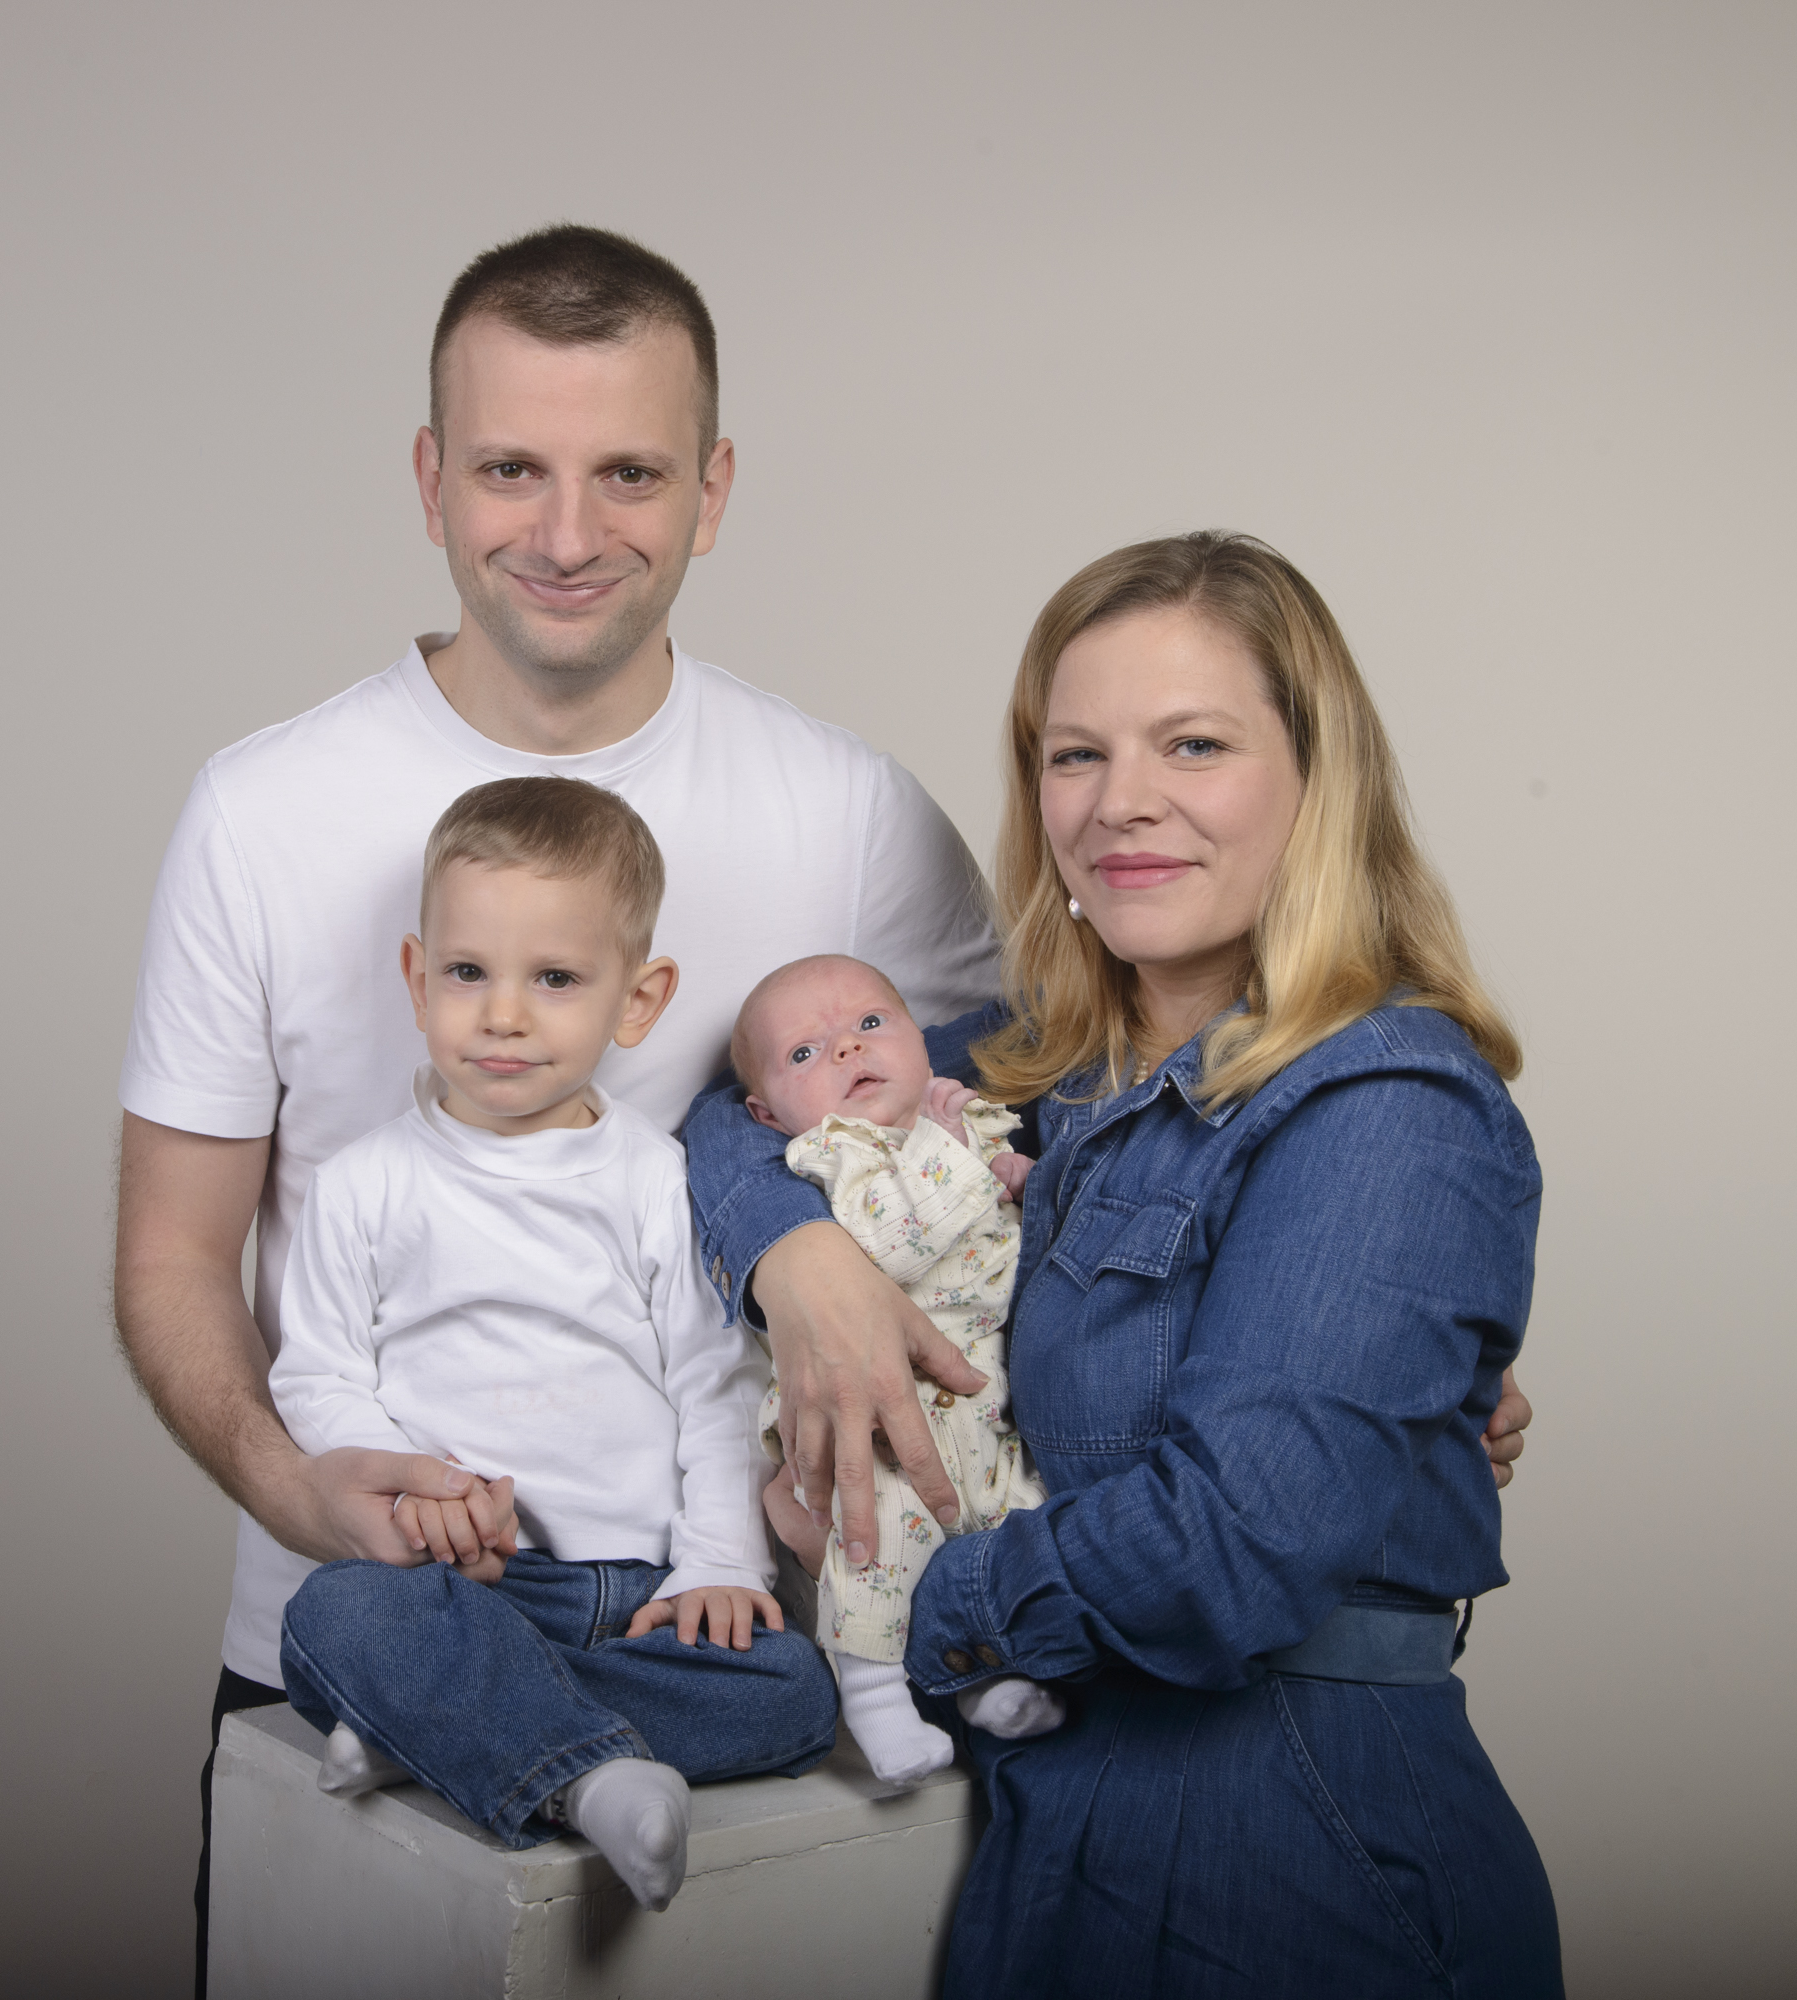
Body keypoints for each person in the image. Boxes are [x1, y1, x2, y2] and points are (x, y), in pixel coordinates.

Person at [112, 222, 996, 1990]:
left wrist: (1356, 1343)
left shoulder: (845, 812)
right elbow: (171, 1259)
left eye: (631, 473)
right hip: (350, 1634)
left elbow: (1041, 1133)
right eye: (513, 467)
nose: (570, 535)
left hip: (701, 1603)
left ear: (715, 487)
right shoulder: (265, 809)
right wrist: (310, 1501)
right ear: (433, 478)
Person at [685, 532, 1563, 1995]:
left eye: (1195, 744)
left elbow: (1237, 1545)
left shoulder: (1388, 1102)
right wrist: (800, 1263)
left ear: (1314, 776)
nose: (1123, 804)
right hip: (1048, 1820)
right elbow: (729, 1115)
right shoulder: (1051, 1068)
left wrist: (926, 1608)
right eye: (1075, 754)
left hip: (1287, 1840)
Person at [266, 777, 838, 1912]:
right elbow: (318, 1373)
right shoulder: (368, 1183)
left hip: (636, 1597)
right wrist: (421, 1488)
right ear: (416, 976)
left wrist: (719, 1561)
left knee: (796, 1694)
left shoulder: (648, 1178)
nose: (504, 1014)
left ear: (638, 998)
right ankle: (590, 1774)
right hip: (465, 1584)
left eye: (557, 979)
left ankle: (453, 1725)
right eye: (468, 972)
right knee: (329, 1617)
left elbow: (715, 1383)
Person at [729, 953, 1062, 1787]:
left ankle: (982, 1677)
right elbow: (891, 1243)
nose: (845, 1050)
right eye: (806, 1053)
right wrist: (953, 1155)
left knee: (1005, 1520)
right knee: (875, 1538)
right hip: (878, 1408)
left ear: (922, 1041)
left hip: (982, 1399)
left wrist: (1015, 1178)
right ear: (768, 1115)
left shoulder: (970, 1120)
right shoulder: (832, 1155)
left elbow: (1012, 1232)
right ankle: (873, 1697)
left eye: (870, 1025)